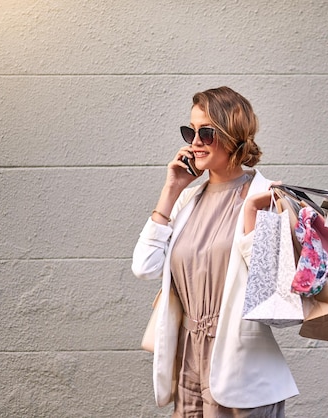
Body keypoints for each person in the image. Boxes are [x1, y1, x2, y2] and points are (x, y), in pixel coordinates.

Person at [132, 86, 298, 417]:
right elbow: (145, 266)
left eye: (205, 133)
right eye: (190, 131)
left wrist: (251, 220)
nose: (194, 142)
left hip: (241, 371)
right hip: (187, 366)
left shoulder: (266, 198)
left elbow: (279, 307)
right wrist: (171, 189)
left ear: (231, 135)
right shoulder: (187, 200)